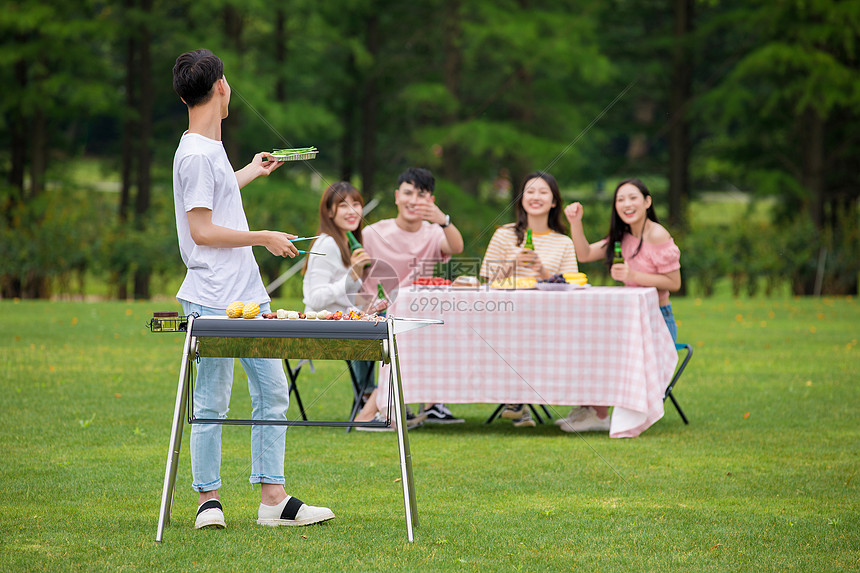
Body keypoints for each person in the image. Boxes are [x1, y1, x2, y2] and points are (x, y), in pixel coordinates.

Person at [171, 49, 334, 530]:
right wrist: (263, 236)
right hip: (211, 294)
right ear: (221, 86)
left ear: (185, 95)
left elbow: (215, 202)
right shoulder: (197, 155)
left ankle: (273, 499)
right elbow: (201, 231)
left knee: (271, 390)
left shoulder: (208, 147)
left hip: (247, 292)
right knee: (212, 401)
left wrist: (249, 173)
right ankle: (209, 502)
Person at [559, 177, 681, 433]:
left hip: (657, 321)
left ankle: (599, 412)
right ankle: (595, 410)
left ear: (647, 202)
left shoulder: (657, 234)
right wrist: (575, 223)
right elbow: (584, 254)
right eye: (620, 199)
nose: (626, 204)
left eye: (633, 198)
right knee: (590, 342)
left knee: (603, 347)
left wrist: (633, 276)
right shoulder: (622, 237)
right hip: (631, 321)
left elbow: (674, 282)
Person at [361, 167, 466, 424]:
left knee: (452, 323)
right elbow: (353, 276)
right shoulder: (373, 232)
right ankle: (387, 407)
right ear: (397, 196)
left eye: (421, 195)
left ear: (430, 200)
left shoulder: (433, 232)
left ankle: (431, 401)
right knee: (406, 330)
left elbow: (456, 246)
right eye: (408, 193)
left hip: (420, 312)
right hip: (379, 313)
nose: (413, 200)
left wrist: (444, 220)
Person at [479, 171, 579, 428]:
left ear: (554, 201)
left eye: (543, 192)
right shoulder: (504, 235)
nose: (536, 197)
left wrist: (543, 272)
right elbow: (486, 279)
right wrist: (512, 263)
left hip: (549, 319)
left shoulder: (563, 242)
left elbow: (571, 284)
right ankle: (518, 402)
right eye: (530, 192)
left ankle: (518, 402)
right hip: (504, 316)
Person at [301, 181, 376, 399]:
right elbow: (315, 299)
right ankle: (368, 400)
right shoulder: (327, 244)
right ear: (329, 211)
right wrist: (353, 273)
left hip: (340, 321)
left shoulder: (346, 241)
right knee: (373, 329)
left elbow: (347, 296)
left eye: (356, 204)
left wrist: (369, 300)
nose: (352, 211)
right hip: (319, 327)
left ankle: (374, 400)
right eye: (343, 205)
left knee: (381, 319)